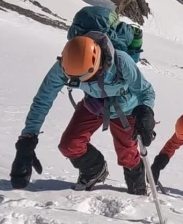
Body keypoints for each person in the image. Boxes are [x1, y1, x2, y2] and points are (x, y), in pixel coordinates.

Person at [10, 33, 155, 194]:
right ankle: (94, 170)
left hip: (126, 109)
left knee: (127, 154)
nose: (83, 82)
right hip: (94, 105)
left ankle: (138, 186)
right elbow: (43, 99)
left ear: (99, 64)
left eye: (86, 78)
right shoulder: (64, 67)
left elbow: (145, 91)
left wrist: (145, 111)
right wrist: (27, 140)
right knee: (70, 145)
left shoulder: (121, 62)